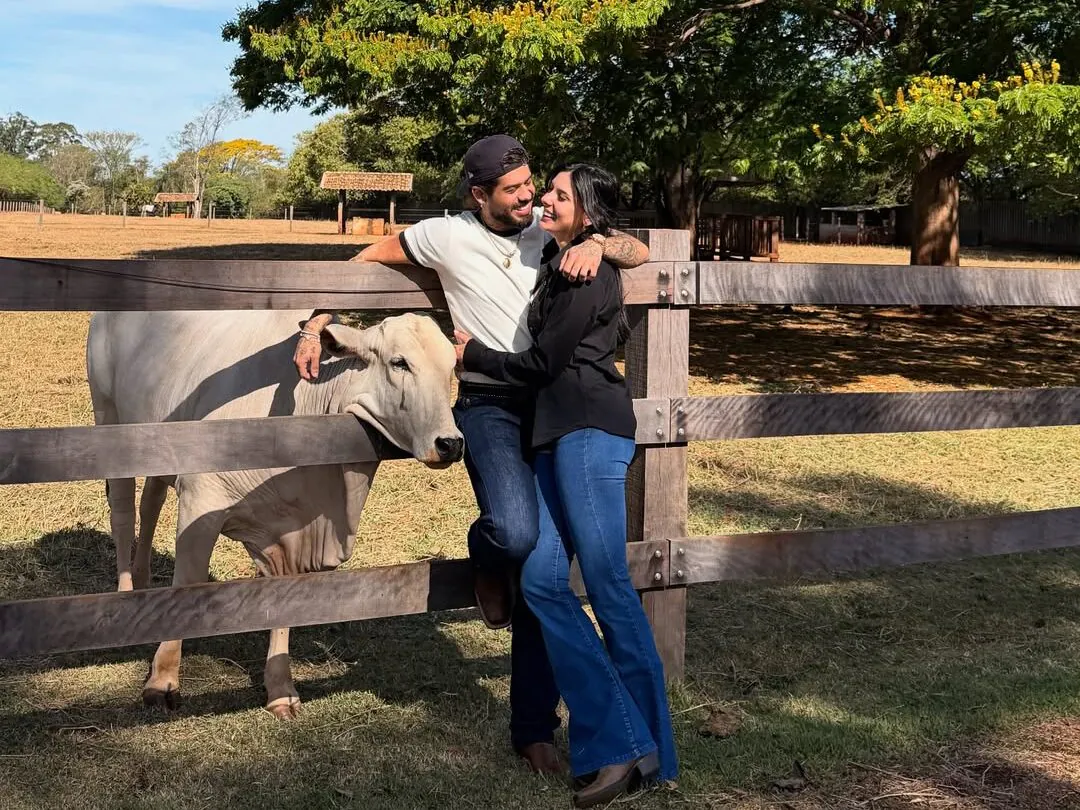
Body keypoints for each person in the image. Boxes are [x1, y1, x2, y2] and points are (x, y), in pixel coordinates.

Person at [292, 135, 650, 775]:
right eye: (515, 191)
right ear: (479, 194)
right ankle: (487, 555)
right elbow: (368, 257)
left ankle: (534, 727)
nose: (532, 200)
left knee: (544, 568)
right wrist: (318, 320)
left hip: (546, 406)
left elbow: (637, 247)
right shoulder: (444, 235)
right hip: (488, 404)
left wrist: (597, 241)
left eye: (535, 187)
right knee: (515, 535)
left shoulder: (549, 234)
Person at [454, 163, 677, 807]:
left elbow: (544, 363)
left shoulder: (590, 269)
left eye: (558, 194)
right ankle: (627, 740)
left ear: (588, 213)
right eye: (543, 190)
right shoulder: (560, 258)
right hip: (552, 440)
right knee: (545, 582)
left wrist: (473, 357)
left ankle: (640, 750)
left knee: (606, 585)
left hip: (586, 430)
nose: (543, 200)